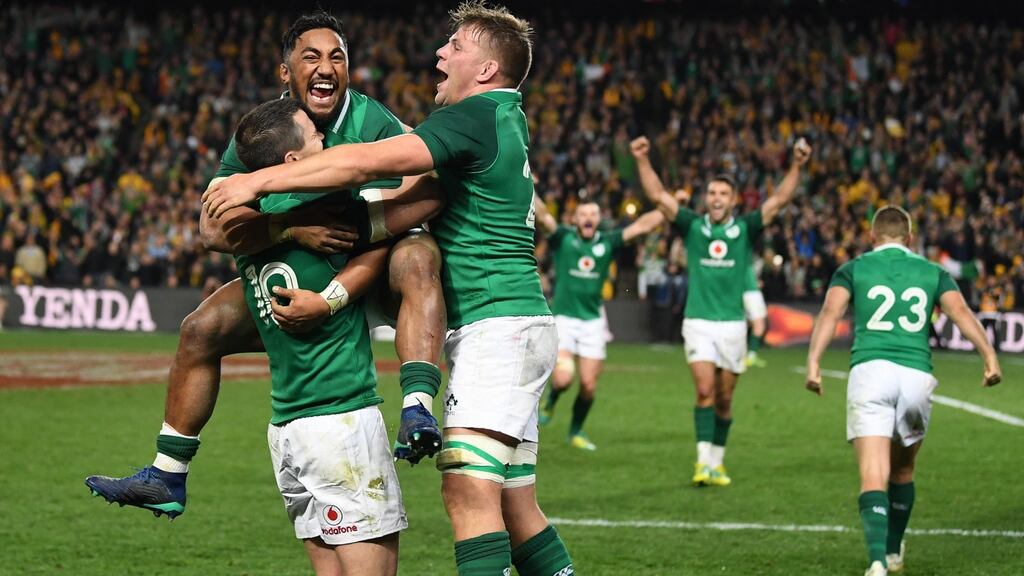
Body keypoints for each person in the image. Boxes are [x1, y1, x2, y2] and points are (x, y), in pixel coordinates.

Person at [203, 3, 575, 574]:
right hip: (517, 324)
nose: (440, 54)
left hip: (496, 329)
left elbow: (365, 162)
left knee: (467, 495)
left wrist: (261, 179)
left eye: (456, 46)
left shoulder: (474, 116)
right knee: (515, 504)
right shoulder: (503, 118)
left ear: (485, 70)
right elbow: (420, 200)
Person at [85, 11, 447, 519]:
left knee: (418, 256)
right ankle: (168, 473)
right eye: (311, 56)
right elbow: (212, 228)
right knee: (199, 329)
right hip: (302, 268)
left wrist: (352, 237)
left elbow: (429, 192)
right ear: (286, 73)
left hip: (372, 267)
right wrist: (289, 229)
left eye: (337, 57)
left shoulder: (372, 122)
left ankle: (417, 410)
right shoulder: (266, 132)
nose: (326, 67)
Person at [805, 205, 1001, 576]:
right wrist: (989, 356)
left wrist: (814, 362)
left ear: (871, 237)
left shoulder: (853, 268)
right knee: (904, 468)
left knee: (873, 471)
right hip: (915, 377)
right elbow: (962, 314)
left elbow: (830, 314)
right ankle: (894, 551)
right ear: (910, 239)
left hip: (870, 372)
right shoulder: (932, 271)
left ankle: (877, 561)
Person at [631, 135, 811, 487]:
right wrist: (641, 158)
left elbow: (780, 200)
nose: (716, 199)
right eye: (712, 193)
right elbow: (658, 197)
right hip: (698, 322)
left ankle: (718, 461)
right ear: (706, 199)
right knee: (704, 392)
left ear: (733, 200)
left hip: (732, 325)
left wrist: (798, 165)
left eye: (723, 194)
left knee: (725, 400)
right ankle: (702, 463)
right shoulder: (692, 226)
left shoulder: (745, 228)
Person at [534, 196, 664, 450]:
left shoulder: (607, 241)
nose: (588, 219)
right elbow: (543, 215)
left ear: (599, 220)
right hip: (565, 319)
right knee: (563, 379)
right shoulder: (563, 237)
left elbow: (641, 227)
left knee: (589, 386)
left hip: (593, 322)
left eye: (593, 214)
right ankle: (552, 399)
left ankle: (576, 431)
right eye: (583, 214)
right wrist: (527, 179)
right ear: (575, 219)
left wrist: (668, 208)